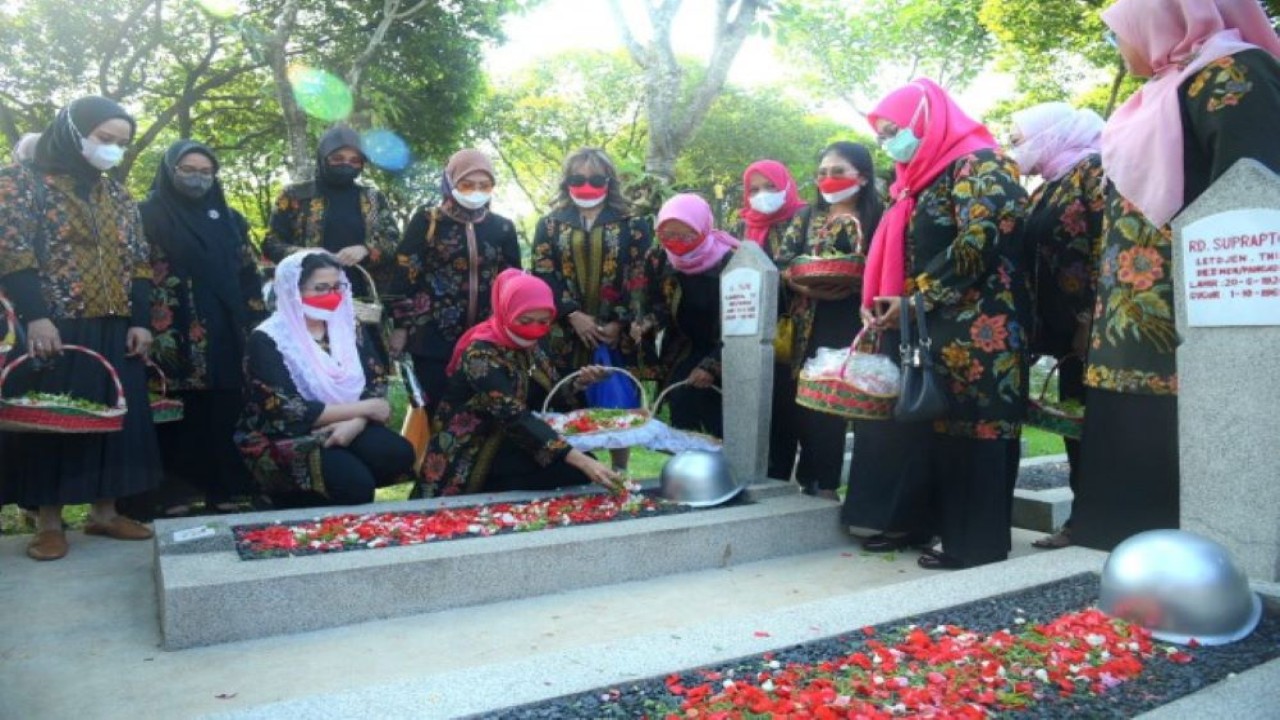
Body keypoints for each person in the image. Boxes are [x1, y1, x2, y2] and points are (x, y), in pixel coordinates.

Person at [1072, 0, 1280, 551]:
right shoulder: (1158, 95)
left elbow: (1250, 201)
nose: (1120, 47)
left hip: (1200, 319)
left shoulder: (1235, 75)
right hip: (1130, 327)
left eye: (1122, 32)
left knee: (1189, 471)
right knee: (1129, 468)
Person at [862, 79, 1030, 570]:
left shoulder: (980, 163)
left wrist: (916, 296)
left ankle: (974, 543)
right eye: (883, 135)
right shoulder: (920, 180)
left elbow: (984, 235)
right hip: (932, 326)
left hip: (984, 329)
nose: (889, 141)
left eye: (895, 129)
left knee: (976, 431)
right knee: (931, 428)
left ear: (925, 120)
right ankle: (926, 524)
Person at [0, 96, 163, 560]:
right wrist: (37, 316)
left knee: (109, 418)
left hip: (111, 324)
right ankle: (49, 523)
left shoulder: (116, 193)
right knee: (51, 418)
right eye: (104, 139)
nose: (112, 150)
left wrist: (139, 321)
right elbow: (12, 253)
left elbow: (138, 260)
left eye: (121, 143)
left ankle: (105, 513)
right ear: (74, 133)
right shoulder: (21, 182)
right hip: (53, 323)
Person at [136, 139, 267, 516]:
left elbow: (248, 274)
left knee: (224, 406)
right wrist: (138, 321)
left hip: (226, 326)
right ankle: (174, 493)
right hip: (169, 329)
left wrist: (255, 321)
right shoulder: (145, 214)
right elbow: (136, 273)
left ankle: (226, 489)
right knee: (176, 409)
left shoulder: (230, 219)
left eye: (206, 172)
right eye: (188, 170)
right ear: (170, 171)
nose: (197, 178)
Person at [417, 268, 623, 496]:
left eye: (544, 321)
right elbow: (513, 414)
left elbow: (546, 392)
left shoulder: (531, 345)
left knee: (576, 469)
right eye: (525, 320)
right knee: (577, 469)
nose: (534, 328)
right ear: (507, 310)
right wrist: (581, 461)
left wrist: (577, 383)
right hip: (475, 452)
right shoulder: (480, 353)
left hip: (513, 441)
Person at [236, 250, 414, 508]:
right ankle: (294, 501)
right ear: (292, 291)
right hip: (293, 433)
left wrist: (356, 422)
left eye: (337, 287)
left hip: (350, 423)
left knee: (398, 453)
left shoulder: (348, 326)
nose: (331, 296)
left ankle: (336, 476)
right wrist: (364, 410)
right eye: (320, 288)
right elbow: (286, 410)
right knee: (356, 486)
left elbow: (375, 381)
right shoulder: (267, 339)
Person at [1005, 103, 1107, 550]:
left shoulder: (1095, 171)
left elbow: (1110, 246)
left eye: (1019, 136)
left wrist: (1092, 318)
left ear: (1052, 133)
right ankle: (1083, 522)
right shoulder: (1046, 188)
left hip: (1094, 332)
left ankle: (1103, 522)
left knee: (1101, 425)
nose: (1014, 146)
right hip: (1061, 334)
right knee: (1075, 425)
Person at [530, 148, 652, 472]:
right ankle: (575, 470)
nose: (586, 184)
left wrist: (619, 322)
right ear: (566, 181)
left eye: (596, 178)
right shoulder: (550, 225)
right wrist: (571, 314)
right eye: (577, 178)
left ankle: (619, 473)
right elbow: (543, 275)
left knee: (618, 403)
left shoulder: (635, 224)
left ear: (609, 181)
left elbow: (641, 276)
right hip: (564, 333)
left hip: (616, 334)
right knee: (569, 400)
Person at [775, 143, 883, 500]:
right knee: (816, 402)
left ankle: (867, 496)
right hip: (813, 321)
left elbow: (890, 265)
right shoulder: (806, 217)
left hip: (863, 323)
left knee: (863, 400)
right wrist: (809, 286)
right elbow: (783, 263)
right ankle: (819, 483)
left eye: (839, 172)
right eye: (822, 172)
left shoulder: (879, 217)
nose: (828, 179)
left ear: (863, 177)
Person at [389, 148, 521, 412]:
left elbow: (512, 280)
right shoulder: (428, 221)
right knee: (439, 410)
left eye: (484, 185)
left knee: (485, 410)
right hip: (433, 338)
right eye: (467, 184)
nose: (476, 191)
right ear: (451, 182)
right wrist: (401, 327)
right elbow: (405, 276)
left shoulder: (502, 227)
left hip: (486, 336)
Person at [262, 126, 399, 343]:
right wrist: (305, 254)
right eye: (338, 158)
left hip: (359, 297)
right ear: (323, 157)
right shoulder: (295, 195)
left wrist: (365, 249)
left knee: (361, 360)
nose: (347, 164)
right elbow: (271, 242)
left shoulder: (372, 197)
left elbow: (392, 240)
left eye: (355, 160)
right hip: (306, 295)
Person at [632, 194, 739, 437]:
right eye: (667, 235)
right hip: (682, 347)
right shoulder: (658, 257)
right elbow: (654, 301)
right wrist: (647, 322)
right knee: (681, 412)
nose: (675, 242)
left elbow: (741, 323)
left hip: (725, 347)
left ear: (703, 228)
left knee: (720, 425)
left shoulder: (731, 260)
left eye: (685, 235)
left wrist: (712, 366)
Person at [734, 159, 809, 483]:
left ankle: (795, 480)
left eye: (770, 187)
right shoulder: (743, 227)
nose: (762, 195)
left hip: (798, 331)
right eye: (754, 189)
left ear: (786, 187)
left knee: (794, 411)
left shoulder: (807, 219)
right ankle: (762, 477)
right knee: (760, 409)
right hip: (753, 334)